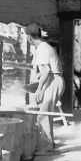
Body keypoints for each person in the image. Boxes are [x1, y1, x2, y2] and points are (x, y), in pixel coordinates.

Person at [25, 23, 64, 152]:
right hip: (56, 79)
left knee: (43, 115)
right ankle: (49, 144)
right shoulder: (46, 46)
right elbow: (46, 70)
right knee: (47, 114)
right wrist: (38, 76)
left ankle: (46, 147)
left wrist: (39, 89)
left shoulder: (41, 48)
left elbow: (47, 71)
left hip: (54, 81)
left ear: (29, 38)